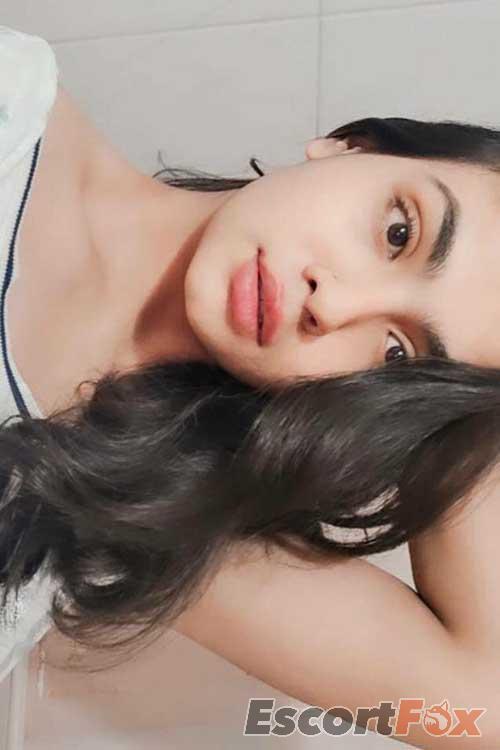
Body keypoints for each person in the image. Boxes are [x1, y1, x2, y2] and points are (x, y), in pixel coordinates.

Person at [1, 23, 500, 744]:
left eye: (397, 354)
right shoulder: (13, 107)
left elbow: (481, 706)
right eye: (399, 233)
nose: (335, 305)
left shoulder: (150, 509)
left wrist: (468, 409)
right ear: (350, 145)